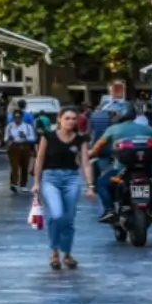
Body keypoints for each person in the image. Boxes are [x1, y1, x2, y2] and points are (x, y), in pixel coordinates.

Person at [31, 109, 90, 270]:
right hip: (50, 178)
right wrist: (36, 182)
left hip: (72, 178)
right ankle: (54, 250)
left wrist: (90, 185)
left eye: (73, 118)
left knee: (69, 218)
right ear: (59, 119)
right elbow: (40, 159)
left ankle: (67, 253)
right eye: (67, 118)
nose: (71, 121)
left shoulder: (80, 139)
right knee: (56, 215)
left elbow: (85, 162)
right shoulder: (48, 137)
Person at [91, 102, 152, 225]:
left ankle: (109, 210)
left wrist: (88, 154)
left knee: (101, 183)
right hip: (147, 169)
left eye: (113, 114)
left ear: (119, 115)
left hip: (122, 170)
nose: (111, 116)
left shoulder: (113, 129)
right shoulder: (147, 128)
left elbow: (98, 147)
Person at [6, 103, 39, 193]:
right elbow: (5, 138)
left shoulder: (27, 127)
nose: (17, 119)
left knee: (25, 166)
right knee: (14, 166)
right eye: (15, 117)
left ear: (21, 117)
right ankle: (14, 183)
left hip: (25, 146)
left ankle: (23, 184)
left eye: (19, 117)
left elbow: (33, 138)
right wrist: (9, 139)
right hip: (14, 146)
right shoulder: (9, 126)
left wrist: (25, 136)